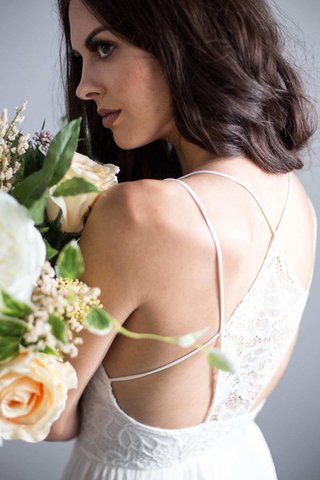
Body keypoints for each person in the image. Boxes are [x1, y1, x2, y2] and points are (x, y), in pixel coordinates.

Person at [48, 0, 317, 478]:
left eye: (105, 48)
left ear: (180, 38)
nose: (84, 86)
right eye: (80, 58)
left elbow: (50, 418)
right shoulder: (293, 197)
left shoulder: (136, 216)